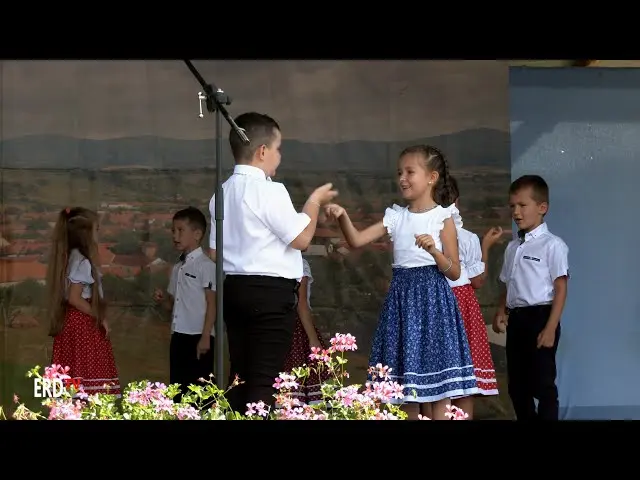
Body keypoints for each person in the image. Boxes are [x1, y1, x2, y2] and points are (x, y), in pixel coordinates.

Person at [325, 144, 478, 420]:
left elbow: (454, 271)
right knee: (404, 390)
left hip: (434, 305)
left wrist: (434, 252)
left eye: (410, 172)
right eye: (399, 172)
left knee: (439, 392)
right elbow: (357, 240)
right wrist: (343, 216)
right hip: (402, 304)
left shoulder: (443, 217)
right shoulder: (396, 216)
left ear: (431, 177)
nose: (402, 178)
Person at [208, 112, 338, 413]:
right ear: (262, 151)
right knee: (264, 380)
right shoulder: (270, 190)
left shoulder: (221, 193)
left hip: (234, 289)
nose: (279, 157)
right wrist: (315, 201)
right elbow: (302, 238)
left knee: (241, 374)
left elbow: (214, 252)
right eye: (278, 149)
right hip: (269, 293)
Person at [492, 175, 569, 421]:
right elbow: (508, 283)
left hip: (541, 318)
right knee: (517, 387)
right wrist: (501, 310)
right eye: (512, 206)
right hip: (517, 321)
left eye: (522, 205)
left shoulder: (553, 245)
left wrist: (550, 327)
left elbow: (561, 289)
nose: (516, 212)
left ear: (542, 208)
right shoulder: (512, 247)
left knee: (543, 384)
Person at [444, 176, 504, 419]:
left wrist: (485, 247)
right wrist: (485, 247)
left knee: (437, 381)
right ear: (457, 202)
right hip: (461, 305)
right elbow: (477, 281)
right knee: (464, 383)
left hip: (439, 306)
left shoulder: (423, 236)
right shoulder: (467, 238)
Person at [46, 207, 120, 397]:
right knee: (87, 382)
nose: (99, 233)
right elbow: (74, 297)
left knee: (72, 382)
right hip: (82, 326)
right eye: (97, 229)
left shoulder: (68, 258)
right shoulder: (82, 262)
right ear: (86, 233)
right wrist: (99, 316)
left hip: (71, 324)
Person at [153, 207, 216, 403]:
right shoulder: (177, 268)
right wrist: (164, 300)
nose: (175, 236)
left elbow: (212, 303)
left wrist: (206, 336)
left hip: (198, 337)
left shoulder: (206, 266)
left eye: (181, 230)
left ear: (197, 234)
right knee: (178, 392)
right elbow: (172, 306)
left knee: (200, 394)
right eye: (173, 231)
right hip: (179, 336)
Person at [282, 257, 330, 404]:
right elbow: (301, 304)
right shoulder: (298, 263)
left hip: (280, 325)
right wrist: (313, 339)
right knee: (301, 377)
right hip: (296, 327)